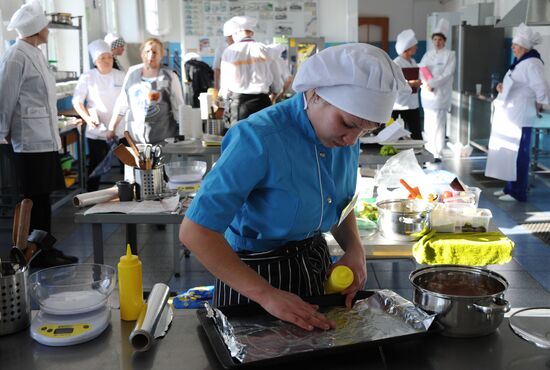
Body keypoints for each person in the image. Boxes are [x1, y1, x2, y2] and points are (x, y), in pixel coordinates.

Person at [179, 43, 410, 330]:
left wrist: (354, 249)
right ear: (315, 94)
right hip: (252, 277)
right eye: (348, 124)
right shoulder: (258, 138)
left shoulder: (343, 136)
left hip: (312, 263)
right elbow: (196, 232)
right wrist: (266, 295)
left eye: (367, 130)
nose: (352, 140)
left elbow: (338, 201)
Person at [0, 0, 76, 266]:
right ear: (36, 28)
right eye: (45, 25)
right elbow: (5, 97)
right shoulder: (15, 55)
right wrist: (2, 132)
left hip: (44, 139)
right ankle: (34, 254)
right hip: (28, 141)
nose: (48, 29)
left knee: (44, 198)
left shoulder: (36, 54)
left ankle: (46, 250)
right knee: (34, 200)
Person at [485, 23, 550, 202]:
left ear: (523, 47)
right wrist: (501, 87)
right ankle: (509, 188)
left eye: (515, 45)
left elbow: (541, 86)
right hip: (511, 115)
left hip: (521, 116)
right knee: (509, 153)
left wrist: (540, 103)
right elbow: (517, 85)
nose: (512, 47)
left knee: (519, 154)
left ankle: (518, 192)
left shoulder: (532, 63)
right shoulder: (521, 62)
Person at [72, 39, 125, 192]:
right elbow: (77, 102)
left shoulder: (121, 76)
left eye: (109, 57)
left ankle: (133, 195)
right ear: (95, 61)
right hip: (97, 130)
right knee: (96, 164)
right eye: (103, 58)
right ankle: (90, 197)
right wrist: (88, 118)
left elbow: (125, 102)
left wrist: (114, 127)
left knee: (128, 163)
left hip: (120, 129)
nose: (107, 60)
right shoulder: (88, 77)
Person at [108, 38, 183, 144]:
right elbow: (123, 103)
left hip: (163, 137)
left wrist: (184, 133)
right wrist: (112, 126)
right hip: (135, 138)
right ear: (141, 54)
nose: (150, 55)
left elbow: (178, 107)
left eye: (155, 52)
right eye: (147, 51)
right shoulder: (132, 73)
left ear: (161, 55)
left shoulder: (170, 76)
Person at [219, 16, 282, 125]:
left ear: (235, 33)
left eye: (229, 37)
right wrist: (274, 94)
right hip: (263, 102)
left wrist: (225, 100)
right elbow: (277, 82)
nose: (229, 40)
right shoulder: (265, 49)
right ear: (251, 33)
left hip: (240, 104)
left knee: (241, 138)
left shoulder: (229, 51)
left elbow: (225, 85)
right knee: (263, 137)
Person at [419, 19, 456, 161]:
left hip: (440, 95)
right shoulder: (428, 54)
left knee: (439, 125)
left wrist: (433, 83)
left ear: (444, 41)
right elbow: (421, 69)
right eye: (435, 39)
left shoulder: (450, 55)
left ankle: (438, 152)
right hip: (428, 94)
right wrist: (426, 83)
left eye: (440, 39)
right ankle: (429, 151)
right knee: (428, 124)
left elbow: (447, 74)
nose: (437, 42)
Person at [391, 29, 422, 140]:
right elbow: (394, 82)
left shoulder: (413, 61)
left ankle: (418, 154)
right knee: (396, 135)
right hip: (399, 105)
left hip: (413, 103)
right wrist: (410, 83)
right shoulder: (396, 63)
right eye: (414, 46)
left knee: (416, 133)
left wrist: (418, 83)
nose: (416, 48)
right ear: (408, 48)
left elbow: (418, 77)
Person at [213, 19, 238, 91]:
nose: (231, 38)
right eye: (229, 36)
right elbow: (217, 69)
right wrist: (216, 88)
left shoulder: (243, 48)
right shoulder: (221, 49)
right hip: (227, 86)